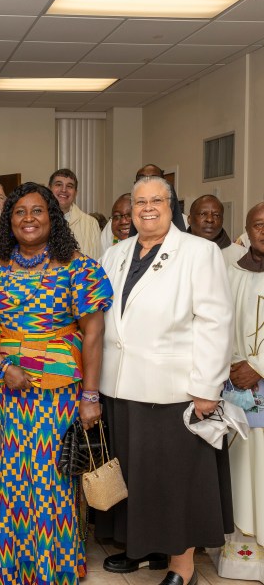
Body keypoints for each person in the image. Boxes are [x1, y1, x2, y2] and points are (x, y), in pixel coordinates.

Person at [0, 182, 112, 585]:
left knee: (54, 469)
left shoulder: (80, 266)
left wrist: (91, 395)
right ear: (9, 221)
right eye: (19, 212)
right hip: (10, 384)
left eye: (37, 211)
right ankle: (8, 562)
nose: (28, 219)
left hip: (62, 385)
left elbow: (94, 333)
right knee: (15, 465)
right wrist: (1, 366)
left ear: (53, 218)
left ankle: (55, 563)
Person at [97, 176, 234, 585]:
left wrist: (208, 388)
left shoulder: (199, 252)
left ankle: (182, 566)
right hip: (120, 386)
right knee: (138, 478)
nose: (147, 208)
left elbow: (215, 321)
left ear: (172, 205)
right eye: (140, 202)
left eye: (157, 200)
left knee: (176, 482)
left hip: (174, 390)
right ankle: (145, 549)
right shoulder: (115, 253)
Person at [217, 202, 264, 581]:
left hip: (259, 378)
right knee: (241, 469)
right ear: (246, 230)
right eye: (258, 224)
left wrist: (259, 367)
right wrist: (233, 366)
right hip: (234, 387)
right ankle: (243, 556)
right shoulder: (230, 271)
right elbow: (218, 322)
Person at [48, 168, 101, 259]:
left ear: (75, 192)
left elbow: (98, 260)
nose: (64, 190)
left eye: (69, 186)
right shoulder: (38, 221)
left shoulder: (91, 224)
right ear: (49, 189)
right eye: (58, 184)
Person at [187, 194, 245, 267]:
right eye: (202, 214)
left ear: (222, 220)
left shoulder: (241, 255)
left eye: (216, 215)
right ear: (189, 219)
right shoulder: (175, 252)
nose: (210, 219)